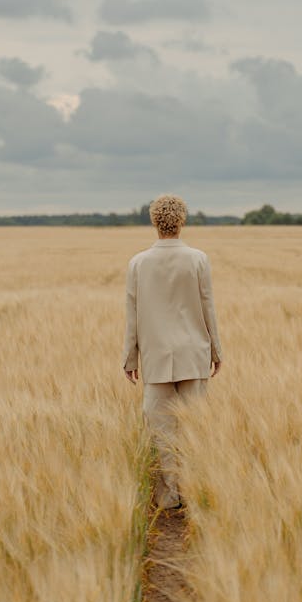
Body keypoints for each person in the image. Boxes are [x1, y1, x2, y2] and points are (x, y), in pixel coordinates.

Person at [122, 193, 223, 509]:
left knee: (162, 433)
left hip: (156, 358)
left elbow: (132, 313)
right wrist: (216, 351)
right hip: (194, 354)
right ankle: (194, 493)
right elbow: (208, 306)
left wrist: (130, 357)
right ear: (182, 221)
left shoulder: (138, 263)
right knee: (192, 428)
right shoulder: (197, 258)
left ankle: (168, 497)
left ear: (154, 222)